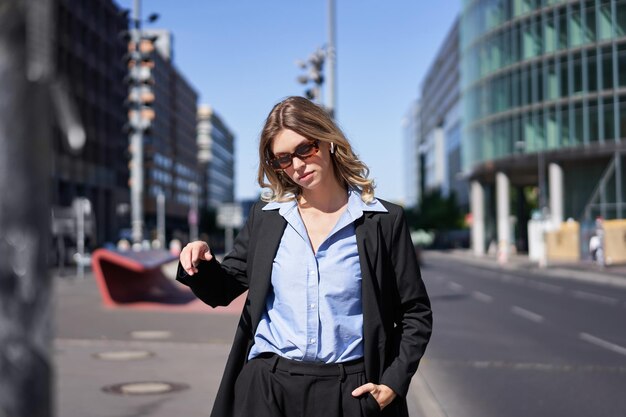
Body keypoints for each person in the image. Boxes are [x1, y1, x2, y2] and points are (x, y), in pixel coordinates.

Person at [177, 96, 432, 417]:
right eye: (282, 158)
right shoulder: (267, 218)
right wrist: (200, 262)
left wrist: (393, 383)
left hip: (349, 390)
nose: (297, 165)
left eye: (304, 149)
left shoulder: (382, 220)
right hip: (268, 387)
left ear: (327, 142)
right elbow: (223, 290)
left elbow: (416, 313)